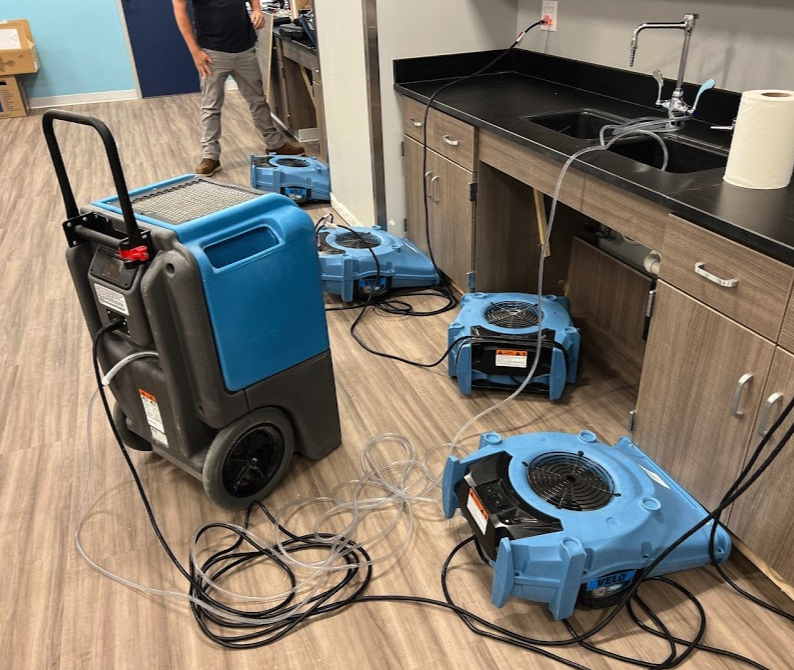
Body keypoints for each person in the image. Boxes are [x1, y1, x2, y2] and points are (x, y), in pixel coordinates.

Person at [173, 0, 305, 176]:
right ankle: (210, 157)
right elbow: (180, 12)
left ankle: (275, 145)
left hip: (245, 48)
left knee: (257, 100)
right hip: (213, 53)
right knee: (211, 106)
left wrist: (257, 9)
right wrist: (195, 52)